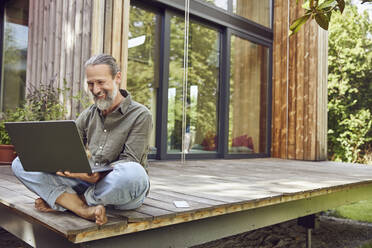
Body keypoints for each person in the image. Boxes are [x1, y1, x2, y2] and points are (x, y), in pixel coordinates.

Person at [11, 54, 152, 225]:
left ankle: (70, 202)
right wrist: (54, 159)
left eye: (101, 82)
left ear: (118, 78)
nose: (95, 89)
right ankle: (83, 209)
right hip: (87, 183)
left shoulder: (141, 115)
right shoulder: (89, 114)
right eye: (90, 84)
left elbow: (130, 160)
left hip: (120, 188)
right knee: (20, 162)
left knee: (134, 174)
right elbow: (66, 148)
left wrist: (97, 175)